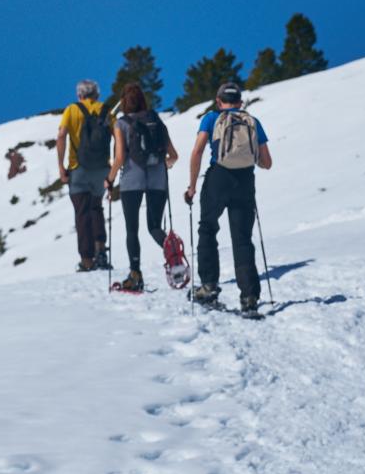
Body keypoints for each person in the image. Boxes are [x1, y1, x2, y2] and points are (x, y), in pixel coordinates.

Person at [185, 81, 272, 313]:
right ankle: (249, 296)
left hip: (218, 178)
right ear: (240, 102)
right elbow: (267, 162)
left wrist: (192, 187)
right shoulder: (253, 122)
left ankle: (208, 286)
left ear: (218, 100)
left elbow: (197, 151)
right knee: (242, 238)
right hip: (245, 181)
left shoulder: (211, 118)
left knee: (208, 228)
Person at [105, 83, 178, 291]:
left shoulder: (121, 124)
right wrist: (161, 164)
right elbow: (173, 156)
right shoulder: (156, 119)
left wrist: (109, 180)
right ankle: (174, 256)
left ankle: (135, 275)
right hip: (158, 179)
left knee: (132, 229)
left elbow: (119, 158)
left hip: (131, 179)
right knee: (154, 227)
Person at [57, 79, 113, 271]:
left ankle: (87, 260)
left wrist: (61, 166)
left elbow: (61, 136)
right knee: (96, 208)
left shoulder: (72, 110)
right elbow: (117, 136)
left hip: (78, 168)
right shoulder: (105, 109)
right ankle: (101, 252)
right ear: (96, 94)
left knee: (82, 213)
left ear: (79, 95)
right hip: (102, 169)